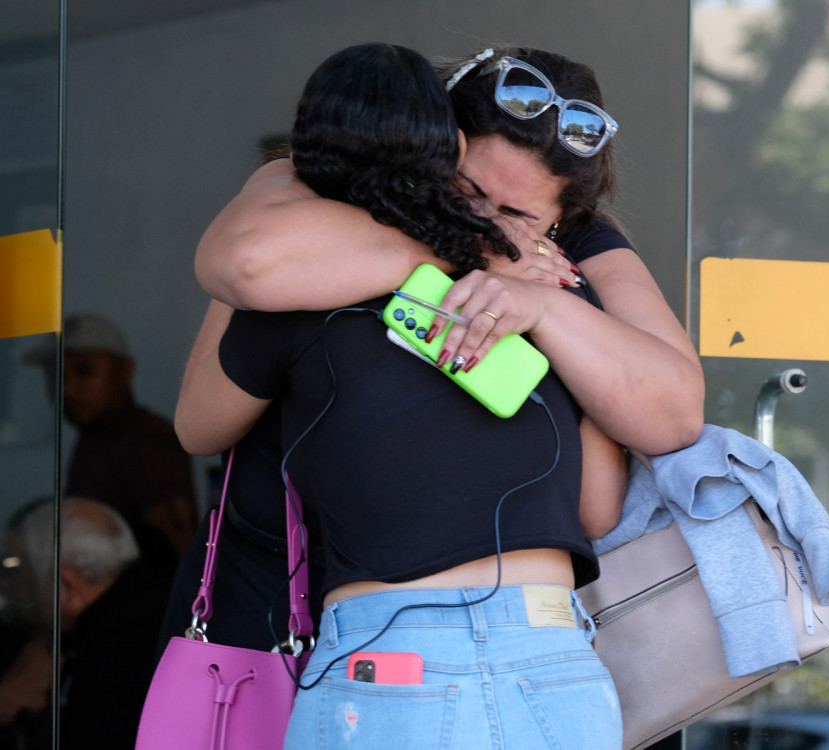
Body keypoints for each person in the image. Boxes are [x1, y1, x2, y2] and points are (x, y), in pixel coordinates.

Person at [177, 42, 704, 749]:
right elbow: (243, 261)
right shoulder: (314, 223)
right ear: (434, 145)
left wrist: (545, 308)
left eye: (513, 211)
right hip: (527, 654)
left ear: (561, 225)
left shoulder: (570, 269)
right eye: (466, 190)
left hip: (421, 653)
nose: (487, 216)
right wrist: (474, 247)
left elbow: (670, 414)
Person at [1, 497, 174, 750]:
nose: (8, 586)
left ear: (68, 584)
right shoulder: (165, 605)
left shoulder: (111, 656)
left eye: (17, 570)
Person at [24, 313, 197, 557]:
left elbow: (180, 550)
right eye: (57, 376)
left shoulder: (146, 441)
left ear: (125, 370)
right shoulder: (95, 438)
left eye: (84, 370)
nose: (68, 389)